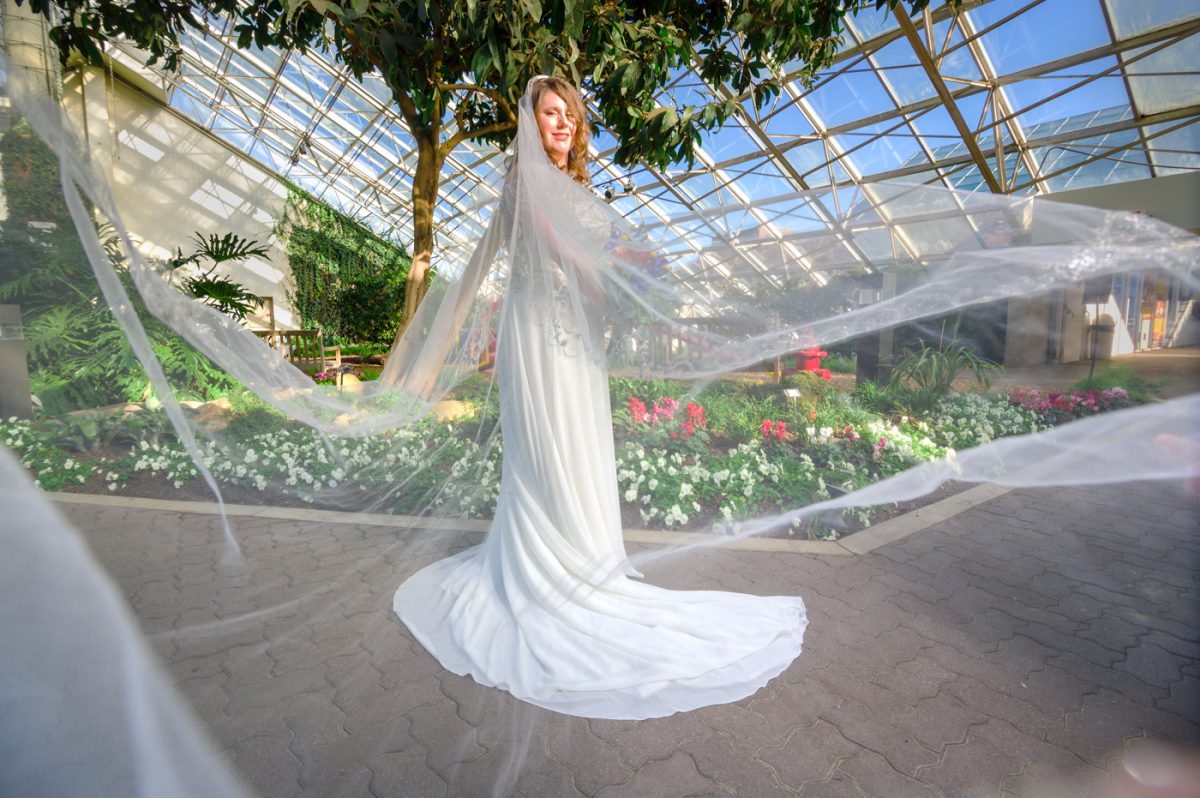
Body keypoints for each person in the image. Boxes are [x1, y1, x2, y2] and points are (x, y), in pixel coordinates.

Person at [391, 76, 809, 721]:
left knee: (581, 442)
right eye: (548, 113)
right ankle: (551, 568)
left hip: (579, 332)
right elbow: (559, 253)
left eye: (569, 114)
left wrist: (627, 287)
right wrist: (625, 284)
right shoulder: (526, 181)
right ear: (531, 123)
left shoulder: (574, 187)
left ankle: (586, 556)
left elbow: (592, 258)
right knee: (546, 447)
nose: (560, 123)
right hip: (540, 329)